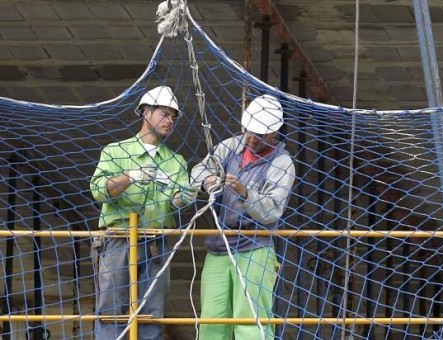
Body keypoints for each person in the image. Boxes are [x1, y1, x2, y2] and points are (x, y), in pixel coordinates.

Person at [90, 85, 198, 340]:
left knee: (151, 314)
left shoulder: (176, 161)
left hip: (155, 242)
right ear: (146, 112)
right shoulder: (115, 151)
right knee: (111, 313)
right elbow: (98, 190)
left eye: (174, 116)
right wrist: (129, 177)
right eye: (164, 113)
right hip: (118, 239)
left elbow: (175, 199)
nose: (170, 120)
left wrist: (186, 197)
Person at [191, 94, 295, 340]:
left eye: (258, 135)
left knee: (251, 323)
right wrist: (208, 181)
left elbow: (272, 211)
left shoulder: (281, 163)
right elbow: (198, 170)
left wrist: (244, 192)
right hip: (219, 247)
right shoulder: (231, 147)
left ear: (273, 133)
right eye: (248, 131)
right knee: (211, 323)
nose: (250, 138)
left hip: (254, 248)